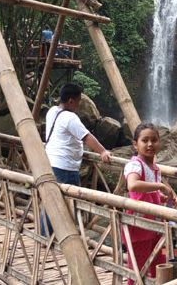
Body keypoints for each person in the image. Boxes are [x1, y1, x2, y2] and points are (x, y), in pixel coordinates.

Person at [123, 123, 170, 284]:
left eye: (154, 140)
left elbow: (146, 191)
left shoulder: (154, 167)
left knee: (157, 264)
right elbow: (133, 185)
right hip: (139, 225)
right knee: (137, 269)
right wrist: (160, 186)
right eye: (145, 140)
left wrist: (160, 196)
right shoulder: (135, 164)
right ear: (135, 144)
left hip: (154, 225)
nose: (150, 144)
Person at [45, 83, 112, 185]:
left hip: (50, 162)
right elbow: (86, 137)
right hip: (65, 169)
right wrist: (103, 152)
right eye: (78, 101)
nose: (79, 104)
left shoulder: (52, 111)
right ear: (71, 101)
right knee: (71, 199)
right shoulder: (70, 118)